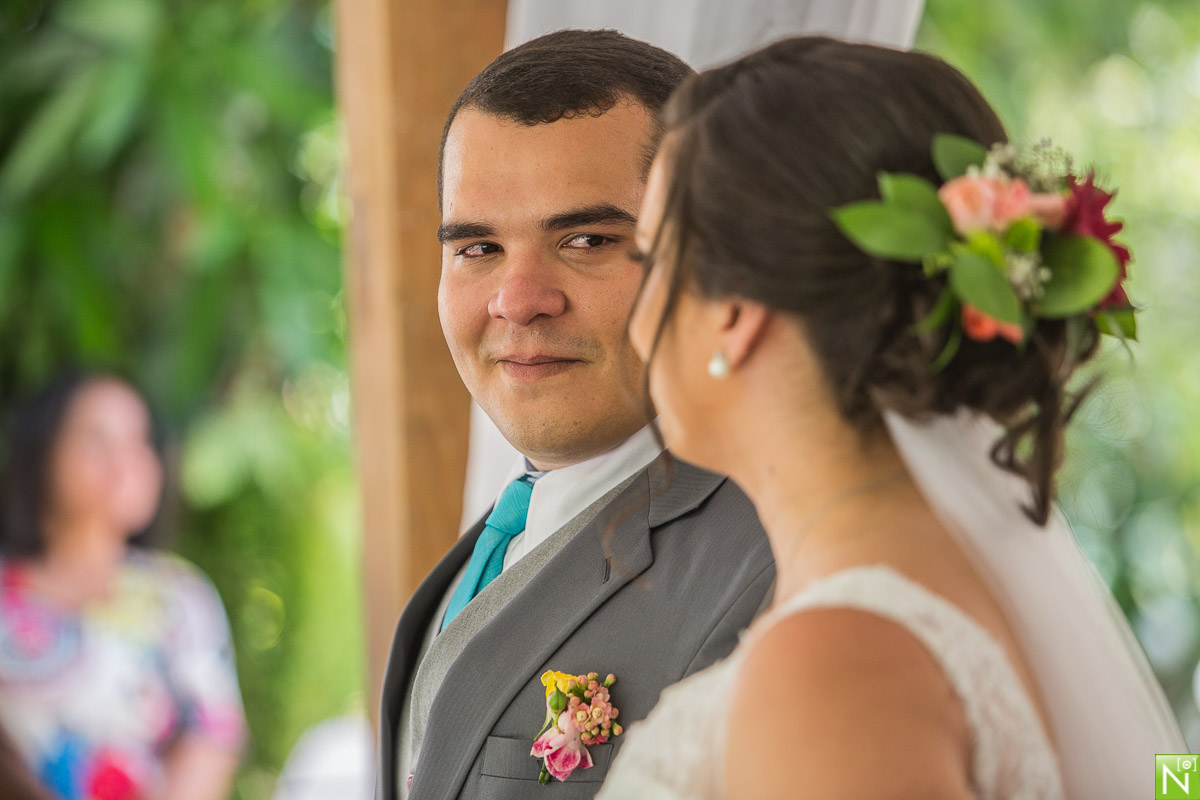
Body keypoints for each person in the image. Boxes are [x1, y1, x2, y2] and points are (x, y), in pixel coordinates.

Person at [597, 36, 1184, 800]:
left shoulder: (835, 667)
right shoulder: (960, 588)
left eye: (652, 255)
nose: (636, 322)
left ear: (735, 310)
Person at [376, 30, 775, 800]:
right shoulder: (485, 550)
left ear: (706, 255)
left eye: (587, 240)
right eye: (478, 248)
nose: (519, 301)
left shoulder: (772, 567)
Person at [0, 371, 246, 800]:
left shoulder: (180, 598)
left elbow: (212, 737)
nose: (125, 459)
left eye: (139, 440)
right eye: (98, 438)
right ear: (42, 454)